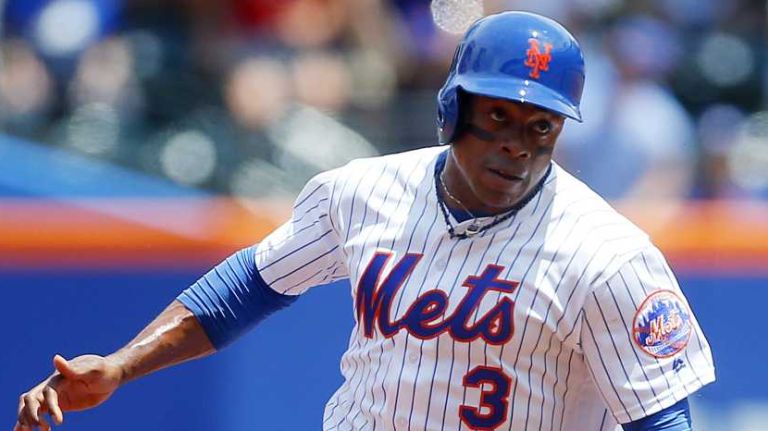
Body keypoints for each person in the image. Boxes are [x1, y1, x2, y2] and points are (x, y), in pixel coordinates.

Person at [14, 11, 714, 431]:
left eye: (540, 126)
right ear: (453, 108)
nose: (516, 145)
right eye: (499, 115)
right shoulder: (363, 192)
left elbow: (662, 417)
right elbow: (249, 286)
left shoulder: (607, 255)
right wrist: (121, 364)